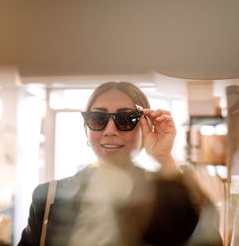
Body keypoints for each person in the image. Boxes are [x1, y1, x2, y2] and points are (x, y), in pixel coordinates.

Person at [18, 81, 222, 246]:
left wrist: (163, 158)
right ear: (86, 128)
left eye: (125, 119)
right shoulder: (48, 197)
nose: (110, 130)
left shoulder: (164, 192)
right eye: (98, 119)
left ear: (144, 127)